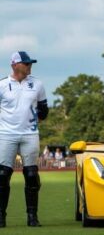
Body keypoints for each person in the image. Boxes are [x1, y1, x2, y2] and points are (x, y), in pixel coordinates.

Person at [0, 51, 49, 227]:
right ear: (15, 65)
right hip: (6, 135)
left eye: (30, 64)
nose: (29, 66)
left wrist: (32, 124)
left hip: (30, 135)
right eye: (26, 63)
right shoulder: (3, 85)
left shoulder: (37, 84)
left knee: (31, 174)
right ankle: (1, 217)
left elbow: (44, 110)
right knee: (2, 175)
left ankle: (32, 217)